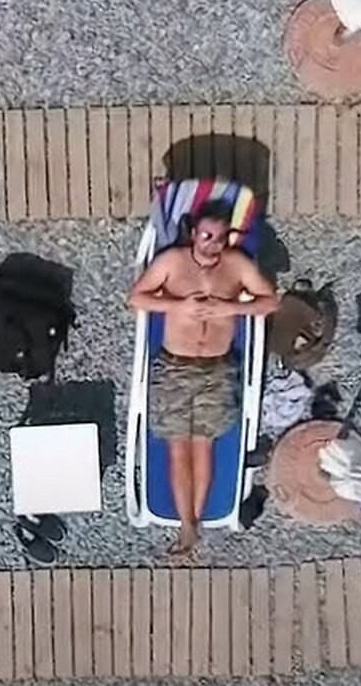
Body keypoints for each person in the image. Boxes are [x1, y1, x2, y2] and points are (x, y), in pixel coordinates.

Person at [127, 201, 278, 554]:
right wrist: (178, 305)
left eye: (219, 238)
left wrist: (232, 307)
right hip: (175, 366)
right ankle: (187, 525)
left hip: (217, 367)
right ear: (194, 233)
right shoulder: (172, 262)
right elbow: (136, 298)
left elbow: (270, 302)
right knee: (178, 446)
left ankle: (192, 524)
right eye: (206, 236)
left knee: (203, 445)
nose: (212, 245)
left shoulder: (236, 265)